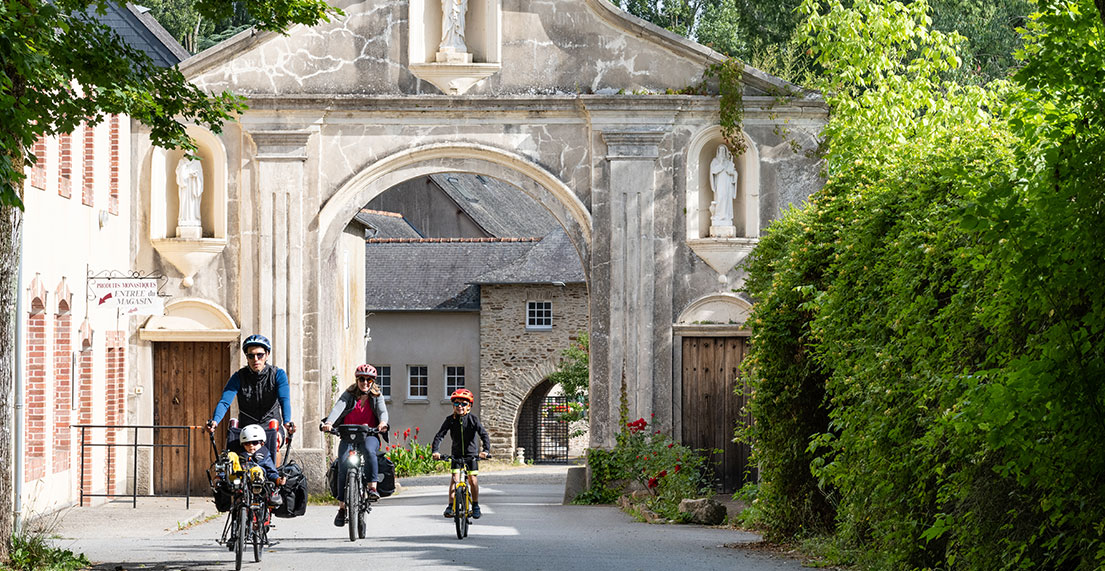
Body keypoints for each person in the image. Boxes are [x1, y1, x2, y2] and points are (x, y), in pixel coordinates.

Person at [320, 363, 390, 527]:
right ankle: (342, 508)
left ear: (373, 381)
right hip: (348, 435)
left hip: (369, 434)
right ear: (357, 379)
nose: (365, 382)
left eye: (368, 379)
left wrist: (383, 423)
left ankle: (372, 488)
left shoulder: (376, 396)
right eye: (361, 379)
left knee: (369, 451)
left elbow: (382, 411)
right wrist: (329, 422)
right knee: (343, 464)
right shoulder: (349, 394)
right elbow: (339, 407)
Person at [206, 335, 297, 459]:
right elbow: (225, 402)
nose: (256, 359)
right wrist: (215, 421)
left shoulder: (277, 374)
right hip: (246, 427)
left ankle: (274, 476)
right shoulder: (238, 376)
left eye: (260, 355)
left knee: (274, 442)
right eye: (251, 356)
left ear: (267, 354)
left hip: (270, 424)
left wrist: (287, 422)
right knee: (233, 452)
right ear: (247, 357)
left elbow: (284, 399)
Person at [431, 388, 490, 519]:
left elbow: (483, 435)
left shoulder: (473, 419)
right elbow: (440, 436)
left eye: (463, 404)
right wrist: (435, 451)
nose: (460, 407)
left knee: (473, 480)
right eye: (457, 404)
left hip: (471, 455)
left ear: (469, 406)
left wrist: (485, 451)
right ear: (453, 406)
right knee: (454, 479)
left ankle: (475, 505)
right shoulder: (450, 420)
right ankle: (450, 505)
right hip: (456, 455)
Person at [238, 423, 287, 506]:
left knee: (257, 470)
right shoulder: (240, 456)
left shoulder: (265, 456)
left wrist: (278, 480)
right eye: (247, 443)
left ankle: (257, 484)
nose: (251, 446)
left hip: (261, 481)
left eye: (254, 442)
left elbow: (271, 471)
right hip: (242, 480)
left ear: (262, 443)